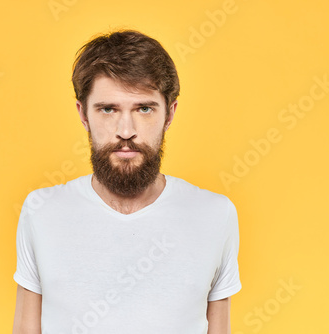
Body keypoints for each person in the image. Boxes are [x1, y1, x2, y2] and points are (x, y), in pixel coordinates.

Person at [12, 29, 241, 334]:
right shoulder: (41, 211)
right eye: (108, 109)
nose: (126, 131)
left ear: (169, 114)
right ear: (83, 114)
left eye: (144, 108)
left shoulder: (215, 214)